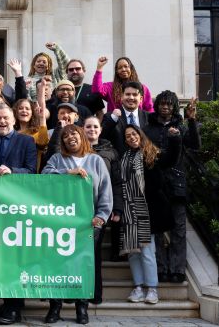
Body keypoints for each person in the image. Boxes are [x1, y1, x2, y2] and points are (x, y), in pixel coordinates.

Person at [41, 124, 113, 325]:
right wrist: (67, 173)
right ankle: (55, 306)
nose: (70, 138)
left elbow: (105, 192)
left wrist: (101, 216)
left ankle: (82, 307)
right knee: (57, 265)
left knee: (83, 265)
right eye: (65, 136)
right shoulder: (56, 160)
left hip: (88, 224)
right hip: (59, 225)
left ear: (82, 136)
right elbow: (44, 178)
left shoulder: (96, 161)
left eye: (74, 133)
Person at [0, 105, 35, 325]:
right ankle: (6, 304)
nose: (2, 122)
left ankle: (14, 307)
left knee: (15, 259)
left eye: (5, 118)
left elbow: (32, 170)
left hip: (16, 208)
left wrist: (12, 171)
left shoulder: (27, 141)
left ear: (14, 119)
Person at [119, 124, 181, 305]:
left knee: (147, 251)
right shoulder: (125, 158)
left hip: (150, 210)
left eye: (134, 134)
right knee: (133, 252)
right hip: (130, 210)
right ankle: (138, 287)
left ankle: (152, 288)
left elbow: (171, 159)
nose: (131, 137)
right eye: (127, 135)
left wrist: (175, 138)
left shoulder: (152, 153)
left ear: (140, 135)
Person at [142, 92, 201, 283]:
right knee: (158, 229)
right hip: (156, 184)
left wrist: (191, 120)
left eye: (169, 104)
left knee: (178, 228)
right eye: (162, 104)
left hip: (177, 183)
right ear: (157, 105)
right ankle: (160, 268)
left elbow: (195, 145)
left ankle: (177, 269)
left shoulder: (181, 127)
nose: (165, 107)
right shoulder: (148, 128)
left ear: (174, 107)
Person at [83, 116, 124, 302]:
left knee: (95, 254)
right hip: (78, 210)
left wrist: (117, 208)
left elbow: (116, 182)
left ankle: (95, 294)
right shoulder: (77, 151)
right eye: (88, 126)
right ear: (82, 129)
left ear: (100, 130)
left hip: (100, 209)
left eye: (95, 126)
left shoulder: (111, 152)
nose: (92, 129)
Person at [101, 81, 150, 156]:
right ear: (121, 97)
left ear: (141, 99)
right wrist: (113, 119)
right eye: (127, 94)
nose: (131, 97)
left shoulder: (149, 117)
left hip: (144, 161)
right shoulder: (110, 117)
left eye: (134, 94)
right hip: (119, 162)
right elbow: (102, 137)